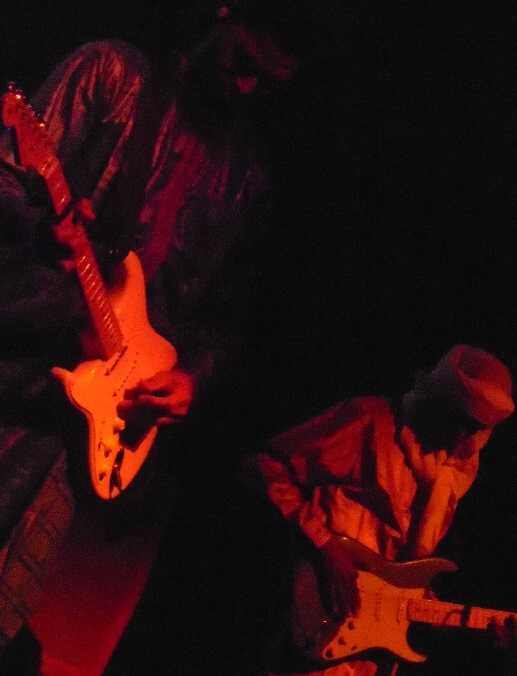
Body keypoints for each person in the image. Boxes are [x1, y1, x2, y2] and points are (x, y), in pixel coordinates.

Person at [0, 1, 313, 672]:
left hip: (81, 429)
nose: (246, 87)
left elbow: (219, 320)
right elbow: (5, 186)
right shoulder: (112, 77)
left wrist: (191, 379)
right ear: (223, 13)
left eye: (267, 83)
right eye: (243, 62)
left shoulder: (244, 179)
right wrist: (43, 247)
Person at [248, 344, 516, 675]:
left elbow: (404, 573)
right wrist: (325, 546)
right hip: (312, 612)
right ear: (437, 399)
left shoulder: (453, 479)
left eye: (475, 427)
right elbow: (267, 465)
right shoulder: (370, 421)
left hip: (366, 656)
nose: (462, 436)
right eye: (457, 418)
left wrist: (457, 624)